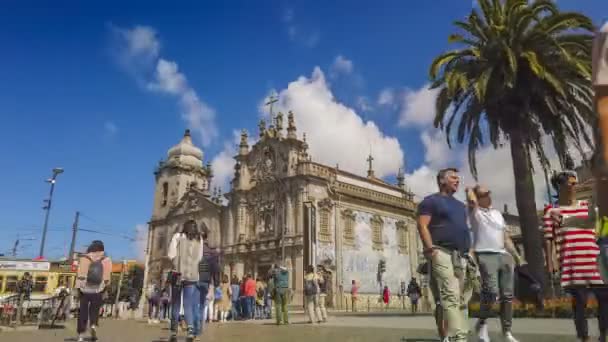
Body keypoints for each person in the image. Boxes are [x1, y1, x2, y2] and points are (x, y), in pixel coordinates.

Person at [543, 171, 608, 342]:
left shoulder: (587, 206)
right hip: (572, 263)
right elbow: (548, 238)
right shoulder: (551, 210)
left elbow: (598, 230)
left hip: (594, 261)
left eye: (575, 183)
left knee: (605, 299)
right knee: (580, 304)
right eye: (571, 183)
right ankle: (584, 338)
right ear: (560, 186)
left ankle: (604, 335)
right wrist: (551, 261)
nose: (575, 186)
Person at [416, 168, 471, 342]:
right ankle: (459, 338)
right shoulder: (430, 201)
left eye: (458, 178)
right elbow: (422, 225)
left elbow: (465, 229)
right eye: (453, 177)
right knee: (450, 294)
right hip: (441, 252)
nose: (457, 180)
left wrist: (470, 252)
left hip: (461, 255)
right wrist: (431, 249)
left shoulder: (461, 206)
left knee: (459, 298)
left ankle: (448, 334)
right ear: (442, 180)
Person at [467, 184, 522, 342]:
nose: (488, 196)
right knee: (491, 292)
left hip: (504, 256)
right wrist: (472, 191)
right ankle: (482, 323)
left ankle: (507, 331)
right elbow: (470, 197)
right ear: (477, 197)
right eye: (484, 194)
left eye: (489, 193)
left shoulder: (498, 214)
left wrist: (517, 257)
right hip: (485, 255)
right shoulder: (474, 212)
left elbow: (505, 237)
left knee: (507, 296)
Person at [167, 220, 204, 342]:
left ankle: (173, 331)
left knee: (176, 303)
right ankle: (190, 330)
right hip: (192, 275)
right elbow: (199, 258)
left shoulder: (178, 236)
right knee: (188, 304)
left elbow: (171, 254)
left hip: (178, 273)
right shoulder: (199, 239)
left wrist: (176, 262)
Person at [75, 240, 112, 342]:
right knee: (94, 311)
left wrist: (78, 289)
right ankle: (93, 325)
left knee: (83, 312)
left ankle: (81, 335)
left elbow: (81, 275)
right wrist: (105, 289)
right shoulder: (106, 259)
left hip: (84, 290)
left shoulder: (85, 258)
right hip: (98, 290)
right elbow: (107, 277)